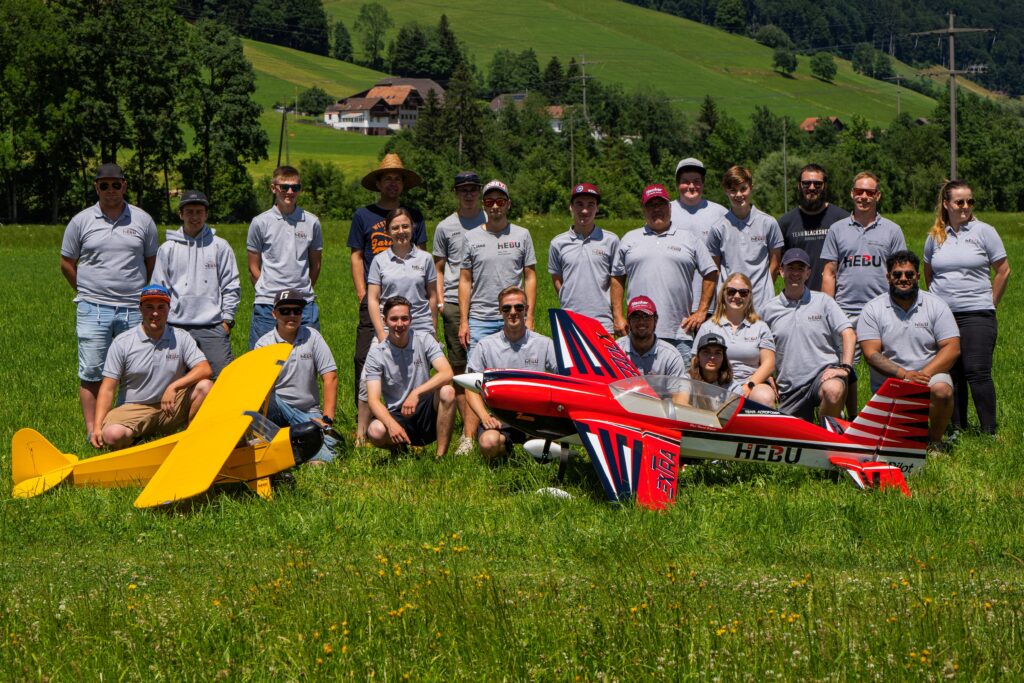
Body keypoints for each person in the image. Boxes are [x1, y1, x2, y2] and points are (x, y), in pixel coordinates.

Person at [61, 162, 159, 440]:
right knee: (92, 372)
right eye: (105, 185)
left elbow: (152, 263)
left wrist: (142, 297)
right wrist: (87, 291)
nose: (111, 190)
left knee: (134, 371)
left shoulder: (142, 220)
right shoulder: (81, 221)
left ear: (125, 185)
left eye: (116, 184)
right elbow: (66, 263)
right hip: (93, 309)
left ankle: (126, 428)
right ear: (97, 187)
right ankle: (94, 431)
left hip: (132, 308)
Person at [349, 154, 427, 442]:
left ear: (403, 184)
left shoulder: (414, 215)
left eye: (398, 178)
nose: (393, 183)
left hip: (411, 307)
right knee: (364, 360)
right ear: (378, 183)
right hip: (375, 301)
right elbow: (357, 256)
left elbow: (422, 257)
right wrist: (362, 292)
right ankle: (364, 425)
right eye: (387, 178)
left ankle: (414, 421)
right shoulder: (364, 215)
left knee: (413, 362)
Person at [924, 180, 1010, 435]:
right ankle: (956, 429)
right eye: (959, 202)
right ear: (946, 204)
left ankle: (988, 431)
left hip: (978, 313)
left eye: (970, 201)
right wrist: (938, 302)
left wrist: (990, 302)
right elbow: (928, 273)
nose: (965, 206)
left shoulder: (985, 231)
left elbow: (1003, 270)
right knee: (952, 373)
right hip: (944, 317)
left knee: (977, 371)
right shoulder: (934, 237)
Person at [821, 172, 907, 417]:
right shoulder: (837, 230)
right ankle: (848, 418)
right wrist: (828, 309)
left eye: (869, 192)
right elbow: (829, 272)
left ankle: (883, 417)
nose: (864, 197)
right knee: (844, 368)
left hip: (881, 311)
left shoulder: (892, 230)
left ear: (877, 195)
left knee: (885, 366)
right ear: (852, 193)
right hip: (845, 310)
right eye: (859, 191)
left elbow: (901, 272)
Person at [858, 251, 960, 450]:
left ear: (918, 276)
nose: (903, 279)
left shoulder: (936, 305)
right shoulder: (873, 309)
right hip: (891, 382)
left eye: (909, 274)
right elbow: (871, 354)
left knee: (942, 391)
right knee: (894, 446)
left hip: (928, 376)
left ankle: (935, 441)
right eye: (897, 274)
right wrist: (905, 376)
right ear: (888, 277)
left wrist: (922, 376)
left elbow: (953, 347)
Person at [91, 284, 212, 450]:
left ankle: (189, 439)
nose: (155, 313)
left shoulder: (181, 337)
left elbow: (205, 369)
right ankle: (135, 442)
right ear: (140, 309)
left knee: (205, 386)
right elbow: (108, 389)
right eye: (149, 307)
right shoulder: (123, 342)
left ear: (169, 309)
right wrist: (97, 427)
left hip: (170, 406)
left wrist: (174, 386)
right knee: (112, 435)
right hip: (134, 408)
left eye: (161, 307)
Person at [611, 184, 718, 365]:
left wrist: (701, 311)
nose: (657, 210)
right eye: (651, 205)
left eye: (661, 205)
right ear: (644, 210)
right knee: (635, 389)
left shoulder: (689, 239)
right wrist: (618, 316)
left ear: (670, 208)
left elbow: (711, 271)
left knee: (679, 389)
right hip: (637, 333)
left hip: (678, 333)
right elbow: (617, 277)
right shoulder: (630, 239)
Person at [152, 190, 240, 379]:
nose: (194, 217)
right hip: (176, 327)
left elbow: (231, 285)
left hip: (213, 326)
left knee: (222, 379)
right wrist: (162, 322)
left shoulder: (220, 246)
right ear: (181, 214)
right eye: (190, 212)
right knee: (174, 379)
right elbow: (159, 289)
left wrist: (227, 320)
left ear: (206, 214)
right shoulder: (167, 249)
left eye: (199, 212)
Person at [762, 249, 856, 421]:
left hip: (823, 375)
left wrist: (845, 368)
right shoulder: (768, 309)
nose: (795, 273)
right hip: (789, 385)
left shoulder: (824, 301)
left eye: (801, 268)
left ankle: (828, 433)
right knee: (791, 437)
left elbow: (848, 333)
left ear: (808, 273)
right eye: (791, 268)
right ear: (782, 271)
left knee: (833, 390)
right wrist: (767, 375)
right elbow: (759, 347)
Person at [466, 287, 557, 459]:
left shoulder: (544, 344)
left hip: (535, 417)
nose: (513, 312)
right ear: (500, 311)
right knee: (488, 443)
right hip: (500, 418)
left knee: (547, 456)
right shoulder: (486, 346)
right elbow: (470, 388)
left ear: (526, 310)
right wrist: (484, 417)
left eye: (518, 307)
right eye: (507, 308)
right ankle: (507, 451)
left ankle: (535, 445)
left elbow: (563, 378)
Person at [432, 171, 487, 454]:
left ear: (479, 192)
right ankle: (467, 433)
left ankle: (486, 423)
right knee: (461, 367)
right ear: (455, 192)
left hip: (486, 301)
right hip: (454, 302)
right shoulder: (445, 227)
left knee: (487, 366)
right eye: (463, 190)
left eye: (473, 189)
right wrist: (442, 302)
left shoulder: (489, 221)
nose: (468, 194)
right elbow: (439, 269)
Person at [254, 290, 339, 464]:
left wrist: (327, 420)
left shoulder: (313, 337)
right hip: (277, 409)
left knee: (333, 452)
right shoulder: (263, 344)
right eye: (285, 311)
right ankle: (289, 443)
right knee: (267, 397)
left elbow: (330, 377)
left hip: (309, 414)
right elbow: (258, 387)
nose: (291, 315)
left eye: (297, 311)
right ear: (274, 313)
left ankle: (285, 446)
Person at [364, 296, 456, 456]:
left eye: (404, 318)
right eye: (394, 319)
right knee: (375, 431)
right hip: (398, 413)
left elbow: (447, 372)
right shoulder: (376, 354)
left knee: (447, 392)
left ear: (411, 320)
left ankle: (441, 457)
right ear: (385, 321)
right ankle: (399, 449)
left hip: (426, 408)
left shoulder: (424, 339)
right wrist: (390, 424)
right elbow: (373, 400)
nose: (399, 324)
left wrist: (416, 393)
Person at [247, 165, 323, 348]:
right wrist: (267, 289)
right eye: (284, 187)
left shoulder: (312, 222)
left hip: (303, 304)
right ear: (274, 188)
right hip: (268, 305)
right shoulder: (260, 222)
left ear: (300, 189)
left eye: (295, 188)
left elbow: (316, 266)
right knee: (261, 364)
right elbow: (253, 267)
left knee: (307, 359)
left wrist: (301, 289)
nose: (289, 192)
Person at [459, 180, 537, 354]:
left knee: (515, 371)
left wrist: (529, 316)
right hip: (480, 319)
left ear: (508, 204)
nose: (495, 206)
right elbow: (465, 280)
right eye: (489, 202)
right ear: (484, 206)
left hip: (514, 315)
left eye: (500, 201)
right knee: (479, 375)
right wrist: (464, 321)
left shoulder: (522, 235)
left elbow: (530, 277)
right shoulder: (470, 237)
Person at [706, 166, 784, 314]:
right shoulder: (718, 228)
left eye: (743, 189)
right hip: (729, 306)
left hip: (761, 304)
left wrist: (763, 291)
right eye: (733, 190)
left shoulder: (769, 223)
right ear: (726, 191)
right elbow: (715, 270)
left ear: (751, 188)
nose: (738, 194)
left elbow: (774, 264)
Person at [696, 272, 777, 406]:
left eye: (743, 292)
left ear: (749, 296)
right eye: (731, 291)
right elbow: (695, 360)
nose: (737, 296)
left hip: (751, 383)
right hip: (716, 383)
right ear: (723, 293)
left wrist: (749, 385)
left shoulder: (760, 327)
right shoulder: (708, 327)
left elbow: (769, 364)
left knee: (765, 397)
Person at [549, 182, 619, 332]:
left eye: (591, 204)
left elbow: (616, 280)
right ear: (571, 207)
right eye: (579, 204)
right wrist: (565, 296)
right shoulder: (557, 243)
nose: (585, 210)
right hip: (569, 320)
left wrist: (617, 315)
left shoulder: (611, 240)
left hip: (602, 322)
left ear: (597, 208)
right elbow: (556, 276)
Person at [367, 208, 438, 342]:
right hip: (390, 328)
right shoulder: (379, 261)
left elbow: (433, 297)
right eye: (395, 228)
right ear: (387, 232)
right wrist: (381, 333)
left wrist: (433, 330)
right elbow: (373, 299)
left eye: (405, 226)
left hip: (421, 328)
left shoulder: (426, 259)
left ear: (412, 227)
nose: (401, 231)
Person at [670, 157, 729, 314]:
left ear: (703, 184)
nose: (691, 186)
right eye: (685, 181)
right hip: (674, 304)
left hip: (713, 305)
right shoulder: (666, 212)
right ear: (677, 184)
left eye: (696, 181)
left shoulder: (720, 213)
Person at [778, 164, 849, 291]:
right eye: (806, 183)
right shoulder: (785, 223)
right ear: (799, 186)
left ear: (825, 186)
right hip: (798, 300)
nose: (811, 188)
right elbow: (777, 266)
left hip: (837, 300)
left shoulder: (843, 220)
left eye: (817, 184)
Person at [615, 296, 688, 377]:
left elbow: (679, 389)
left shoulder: (670, 355)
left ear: (655, 320)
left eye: (646, 316)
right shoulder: (615, 350)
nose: (641, 322)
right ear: (628, 321)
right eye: (636, 317)